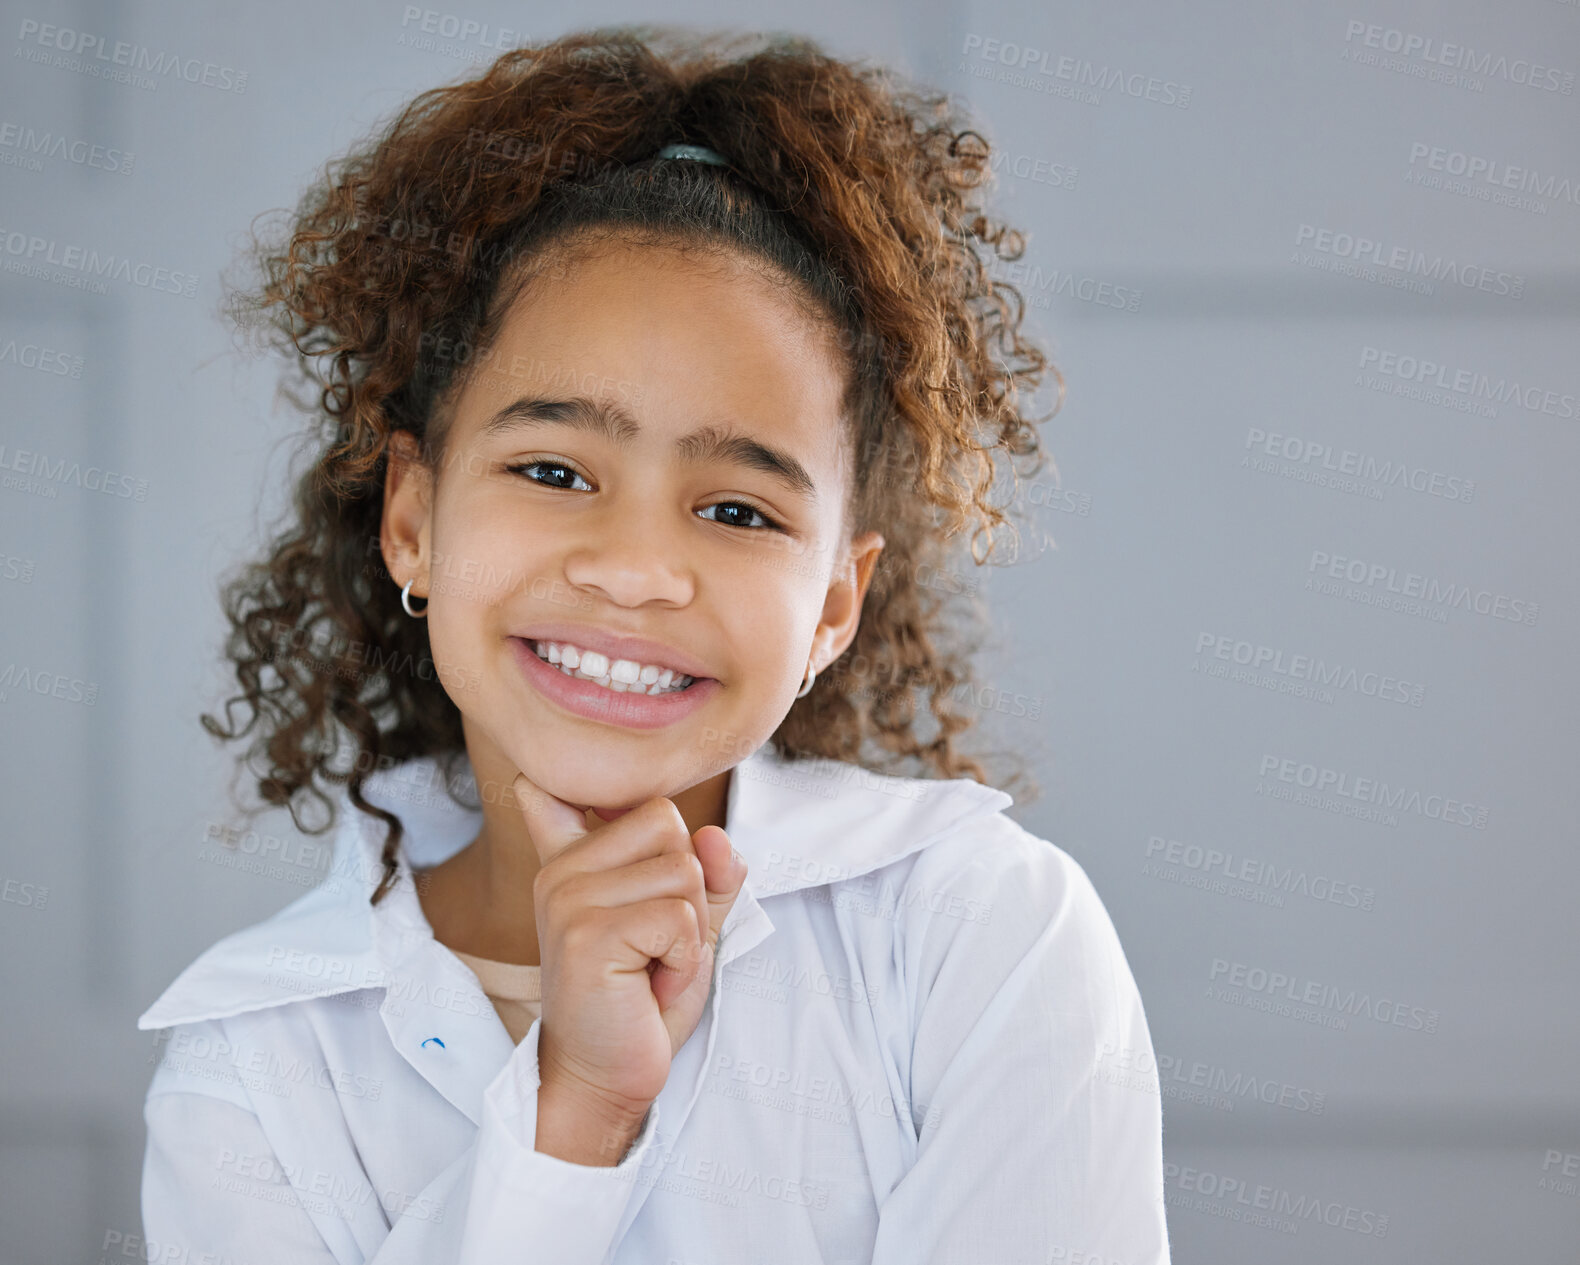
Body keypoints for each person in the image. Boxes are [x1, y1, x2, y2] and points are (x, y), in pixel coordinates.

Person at [137, 24, 1170, 1264]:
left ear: (832, 608)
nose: (632, 569)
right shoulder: (254, 1064)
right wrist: (571, 1114)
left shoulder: (980, 936)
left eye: (737, 509)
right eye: (555, 467)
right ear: (411, 521)